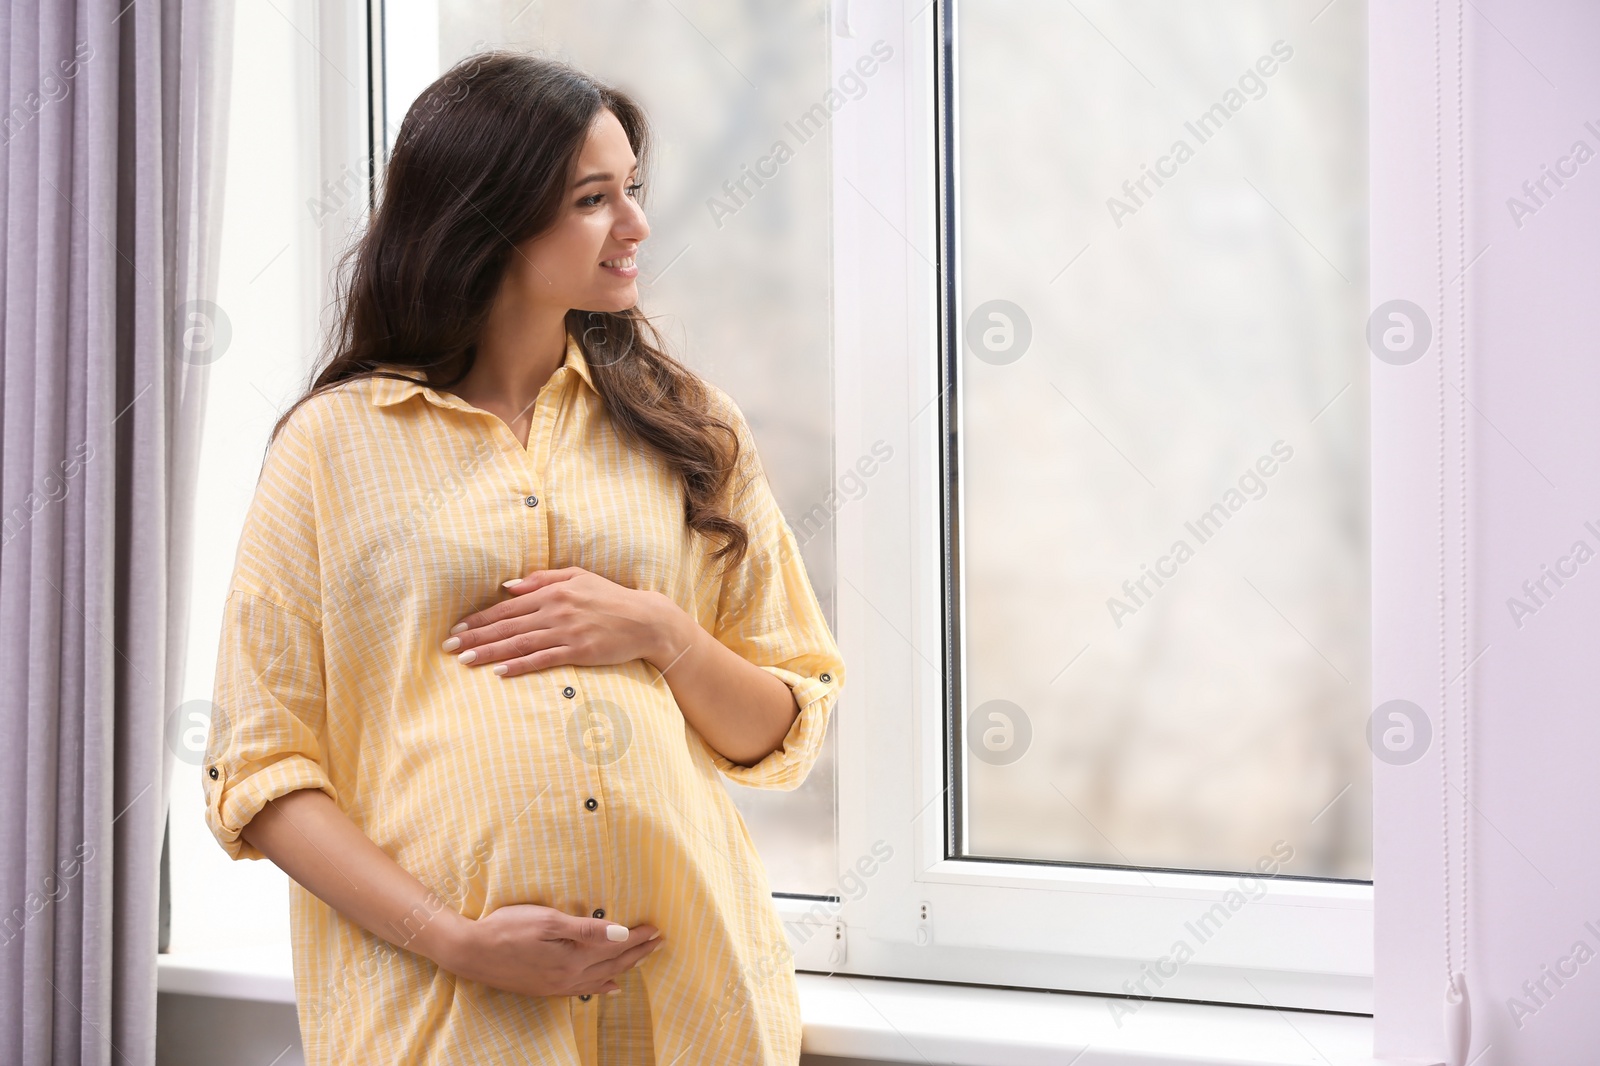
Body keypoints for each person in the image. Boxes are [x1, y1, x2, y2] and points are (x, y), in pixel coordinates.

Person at [201, 49, 844, 1066]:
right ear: (484, 215)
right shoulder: (330, 446)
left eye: (633, 190)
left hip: (693, 995)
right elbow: (262, 769)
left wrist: (661, 632)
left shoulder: (689, 426)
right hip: (445, 1013)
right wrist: (453, 940)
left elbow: (779, 727)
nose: (635, 225)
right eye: (595, 199)